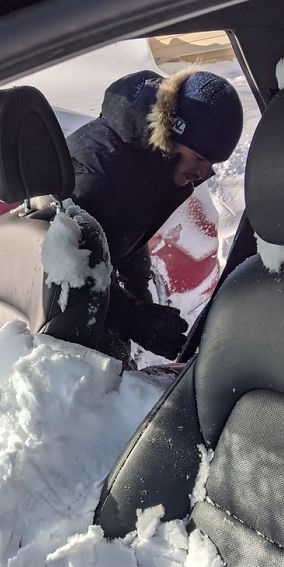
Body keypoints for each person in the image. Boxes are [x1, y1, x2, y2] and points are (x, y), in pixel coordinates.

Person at [67, 68, 243, 361]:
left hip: (95, 301)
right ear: (173, 131)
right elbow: (70, 274)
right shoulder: (98, 172)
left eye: (211, 163)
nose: (202, 173)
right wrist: (133, 317)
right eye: (199, 158)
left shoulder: (154, 163)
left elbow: (125, 229)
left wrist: (137, 289)